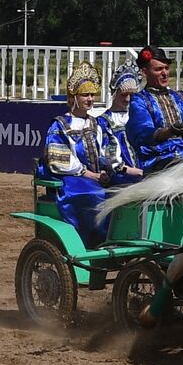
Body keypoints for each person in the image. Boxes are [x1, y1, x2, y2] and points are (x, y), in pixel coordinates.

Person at [44, 62, 115, 246]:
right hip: (72, 179)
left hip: (99, 176)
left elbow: (107, 150)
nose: (90, 99)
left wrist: (111, 167)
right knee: (95, 194)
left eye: (92, 95)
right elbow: (59, 160)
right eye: (85, 95)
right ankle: (93, 241)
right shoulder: (60, 125)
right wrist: (90, 174)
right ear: (73, 97)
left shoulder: (97, 124)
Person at [127, 45, 183, 173]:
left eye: (166, 68)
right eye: (158, 69)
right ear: (144, 72)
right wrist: (169, 131)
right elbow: (142, 133)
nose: (164, 73)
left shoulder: (182, 98)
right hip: (159, 163)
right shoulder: (139, 100)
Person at [97, 62, 145, 183]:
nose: (128, 99)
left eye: (131, 95)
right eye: (124, 95)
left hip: (144, 170)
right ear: (115, 93)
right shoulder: (104, 121)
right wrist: (129, 170)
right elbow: (108, 156)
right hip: (121, 174)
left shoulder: (138, 117)